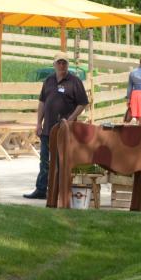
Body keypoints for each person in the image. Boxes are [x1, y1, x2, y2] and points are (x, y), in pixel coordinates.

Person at [24, 53, 89, 199]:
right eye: (59, 63)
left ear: (68, 65)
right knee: (44, 160)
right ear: (54, 65)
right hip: (47, 129)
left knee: (61, 161)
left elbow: (83, 102)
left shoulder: (74, 81)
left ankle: (59, 191)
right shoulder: (49, 80)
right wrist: (38, 123)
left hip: (65, 130)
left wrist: (71, 119)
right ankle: (41, 190)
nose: (61, 65)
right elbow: (42, 102)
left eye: (64, 63)